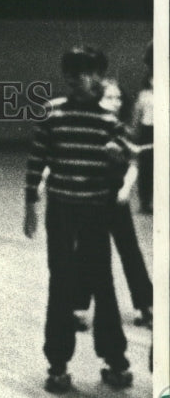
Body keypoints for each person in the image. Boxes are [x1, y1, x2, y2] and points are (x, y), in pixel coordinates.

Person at [25, 46, 132, 393]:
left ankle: (115, 360)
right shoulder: (51, 114)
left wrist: (119, 159)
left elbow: (123, 170)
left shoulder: (108, 121)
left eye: (83, 71)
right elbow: (36, 160)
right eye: (70, 70)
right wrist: (30, 205)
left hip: (94, 214)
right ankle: (57, 364)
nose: (75, 78)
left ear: (98, 76)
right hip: (61, 212)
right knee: (61, 283)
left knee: (102, 283)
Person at [72, 77, 153, 330]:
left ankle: (146, 306)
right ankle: (78, 308)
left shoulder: (123, 130)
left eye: (118, 98)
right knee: (86, 252)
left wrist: (125, 190)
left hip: (116, 201)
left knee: (129, 251)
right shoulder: (88, 130)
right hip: (90, 201)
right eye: (109, 97)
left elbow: (133, 165)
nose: (115, 102)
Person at [131, 42, 153, 215]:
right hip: (149, 129)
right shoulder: (145, 91)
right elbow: (137, 113)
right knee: (146, 167)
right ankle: (146, 200)